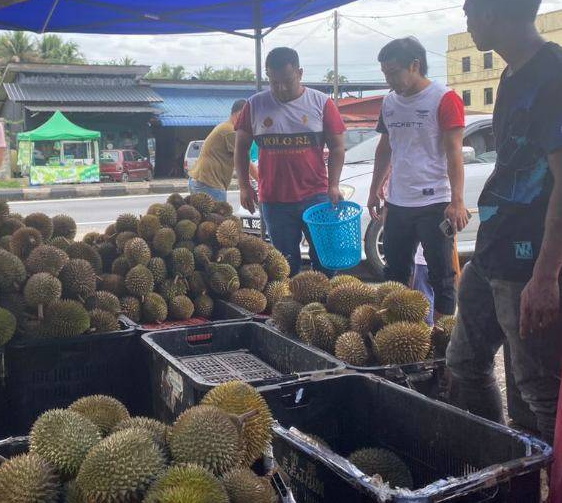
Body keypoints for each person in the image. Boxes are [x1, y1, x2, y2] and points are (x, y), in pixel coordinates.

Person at [446, 0, 562, 445]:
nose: (467, 22)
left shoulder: (560, 76)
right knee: (464, 365)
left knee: (540, 390)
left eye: (470, 10)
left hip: (531, 261)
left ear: (493, 12)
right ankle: (500, 470)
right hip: (492, 251)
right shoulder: (513, 75)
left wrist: (547, 275)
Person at [366, 37, 467, 321]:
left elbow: (454, 152)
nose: (389, 80)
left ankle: (443, 341)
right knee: (394, 274)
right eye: (385, 73)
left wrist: (457, 201)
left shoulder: (444, 98)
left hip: (435, 201)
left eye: (394, 72)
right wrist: (375, 190)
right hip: (398, 201)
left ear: (415, 65)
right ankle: (397, 333)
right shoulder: (389, 102)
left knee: (442, 276)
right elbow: (385, 148)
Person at [235, 47, 346, 276]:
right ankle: (292, 310)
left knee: (325, 261)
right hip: (275, 200)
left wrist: (333, 184)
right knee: (284, 266)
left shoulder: (321, 103)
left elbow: (337, 147)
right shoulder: (254, 105)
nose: (281, 88)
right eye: (274, 82)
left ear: (300, 73)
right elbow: (241, 148)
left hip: (315, 196)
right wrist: (244, 186)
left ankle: (324, 308)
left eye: (287, 81)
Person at [188, 99, 258, 202]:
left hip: (201, 181)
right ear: (239, 115)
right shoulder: (231, 131)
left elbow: (239, 162)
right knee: (219, 217)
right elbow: (245, 161)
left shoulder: (225, 127)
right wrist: (263, 182)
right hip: (209, 183)